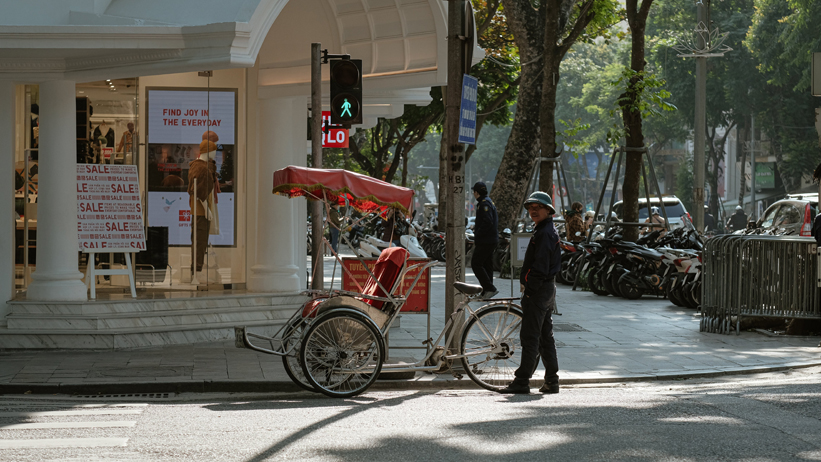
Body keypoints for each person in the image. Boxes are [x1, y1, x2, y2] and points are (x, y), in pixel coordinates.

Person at [498, 191, 561, 395]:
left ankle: (522, 380)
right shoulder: (545, 230)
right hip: (545, 289)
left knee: (530, 336)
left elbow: (540, 268)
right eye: (531, 208)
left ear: (548, 210)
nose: (533, 211)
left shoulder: (544, 233)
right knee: (544, 336)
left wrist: (529, 290)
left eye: (538, 208)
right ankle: (552, 380)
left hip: (539, 290)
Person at [188, 139, 219, 278]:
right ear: (209, 151)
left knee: (199, 240)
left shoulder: (197, 165)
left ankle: (196, 269)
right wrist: (207, 210)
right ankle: (196, 271)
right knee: (200, 241)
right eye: (214, 151)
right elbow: (199, 191)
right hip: (201, 210)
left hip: (199, 210)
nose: (215, 154)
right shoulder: (201, 168)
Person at [471, 182, 499, 299]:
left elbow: (488, 222)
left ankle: (489, 288)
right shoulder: (488, 201)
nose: (473, 194)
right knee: (487, 265)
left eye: (474, 192)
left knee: (476, 263)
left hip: (486, 240)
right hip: (490, 240)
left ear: (477, 193)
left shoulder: (484, 204)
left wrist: (478, 234)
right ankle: (487, 291)